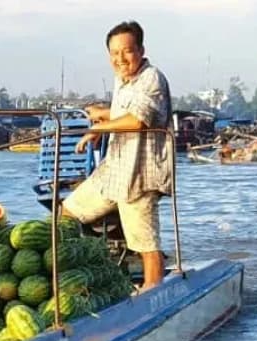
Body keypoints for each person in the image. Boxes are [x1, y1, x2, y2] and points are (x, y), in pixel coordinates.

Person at [64, 20, 172, 293]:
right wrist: (100, 122)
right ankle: (79, 273)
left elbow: (137, 120)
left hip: (139, 174)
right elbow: (122, 114)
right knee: (68, 212)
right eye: (114, 53)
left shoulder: (151, 78)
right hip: (113, 170)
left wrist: (98, 126)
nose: (120, 59)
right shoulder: (122, 81)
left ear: (141, 50)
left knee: (145, 243)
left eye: (127, 51)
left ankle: (153, 290)